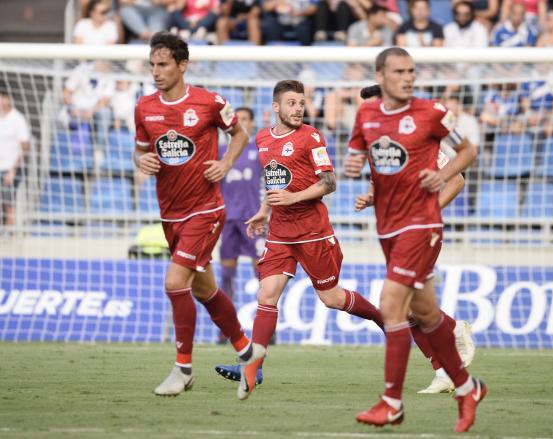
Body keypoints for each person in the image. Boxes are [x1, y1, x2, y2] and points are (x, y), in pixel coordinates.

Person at [211, 79, 384, 401]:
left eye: (301, 103)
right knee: (267, 292)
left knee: (331, 298)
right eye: (291, 103)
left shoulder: (311, 137)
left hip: (313, 232)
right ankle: (253, 366)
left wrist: (293, 199)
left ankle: (383, 319)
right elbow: (273, 181)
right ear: (275, 107)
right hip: (279, 232)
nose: (298, 108)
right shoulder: (262, 139)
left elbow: (329, 183)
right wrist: (264, 210)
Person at [344, 47, 485, 432]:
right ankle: (467, 387)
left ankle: (391, 402)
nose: (408, 77)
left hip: (421, 226)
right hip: (388, 229)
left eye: (411, 71)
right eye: (399, 71)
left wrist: (443, 174)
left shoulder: (432, 113)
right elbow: (362, 153)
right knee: (422, 314)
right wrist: (356, 168)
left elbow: (467, 151)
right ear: (381, 74)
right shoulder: (367, 115)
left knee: (392, 306)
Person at [132, 32, 263, 397]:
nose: (156, 72)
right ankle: (247, 351)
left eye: (164, 65)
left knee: (175, 284)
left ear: (182, 65)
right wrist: (140, 161)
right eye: (153, 65)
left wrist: (225, 162)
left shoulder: (208, 102)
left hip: (206, 209)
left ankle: (183, 369)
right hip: (170, 214)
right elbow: (139, 152)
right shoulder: (144, 107)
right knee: (205, 289)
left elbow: (240, 133)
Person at [217, 107, 264, 340]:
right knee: (226, 274)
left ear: (253, 123)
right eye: (239, 120)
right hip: (227, 221)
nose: (243, 123)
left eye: (246, 119)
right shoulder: (221, 151)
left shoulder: (260, 150)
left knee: (262, 274)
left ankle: (266, 328)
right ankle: (227, 329)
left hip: (254, 221)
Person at [0, 90, 30, 230]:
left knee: (8, 203)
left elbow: (24, 147)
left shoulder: (18, 119)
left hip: (9, 168)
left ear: (8, 100)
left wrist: (13, 170)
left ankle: (10, 234)